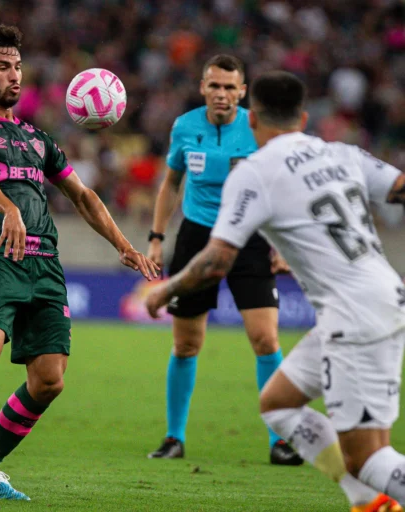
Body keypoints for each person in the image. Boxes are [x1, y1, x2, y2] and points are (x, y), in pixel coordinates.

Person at [145, 70, 405, 512]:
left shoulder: (256, 172)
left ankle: (370, 490)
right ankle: (369, 501)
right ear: (303, 118)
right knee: (279, 405)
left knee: (368, 456)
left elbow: (216, 261)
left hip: (355, 316)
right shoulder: (341, 152)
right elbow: (399, 188)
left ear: (252, 118)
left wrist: (163, 289)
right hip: (378, 298)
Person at [0, 25, 158, 500]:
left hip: (45, 264)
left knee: (49, 381)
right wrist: (8, 208)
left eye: (18, 67)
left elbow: (83, 196)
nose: (14, 75)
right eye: (3, 66)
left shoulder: (37, 138)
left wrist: (122, 244)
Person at [146, 54, 300, 465]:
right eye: (214, 85)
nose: (222, 94)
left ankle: (279, 440)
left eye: (230, 87)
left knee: (266, 340)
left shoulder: (257, 129)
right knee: (186, 344)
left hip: (249, 238)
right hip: (197, 238)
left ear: (243, 92)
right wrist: (157, 238)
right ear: (202, 87)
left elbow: (280, 189)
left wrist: (283, 245)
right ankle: (173, 437)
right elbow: (170, 184)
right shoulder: (185, 127)